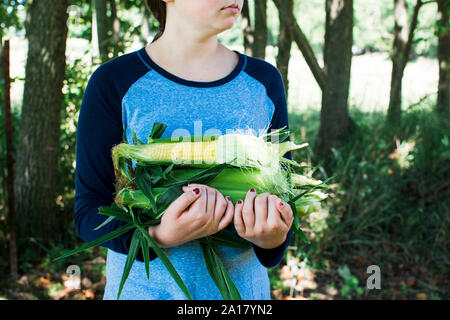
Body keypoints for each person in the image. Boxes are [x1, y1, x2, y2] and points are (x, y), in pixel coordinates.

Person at [74, 0, 294, 300]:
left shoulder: (263, 82)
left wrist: (272, 238)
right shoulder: (114, 82)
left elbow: (284, 209)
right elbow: (89, 212)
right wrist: (158, 237)